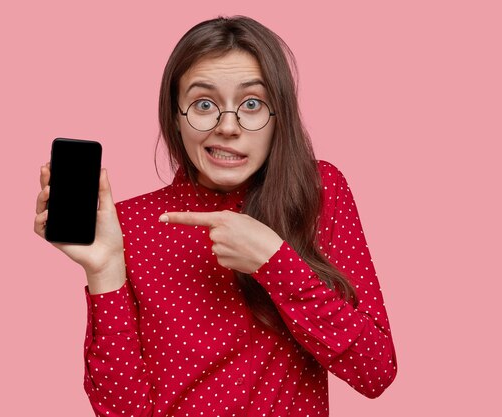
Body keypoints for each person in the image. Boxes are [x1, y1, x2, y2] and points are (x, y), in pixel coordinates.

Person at [34, 15, 396, 417]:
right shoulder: (129, 225)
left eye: (252, 104)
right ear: (175, 115)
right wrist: (103, 271)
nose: (227, 127)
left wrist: (275, 263)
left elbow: (375, 371)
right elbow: (123, 411)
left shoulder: (316, 192)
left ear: (280, 118)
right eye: (204, 104)